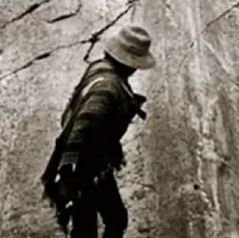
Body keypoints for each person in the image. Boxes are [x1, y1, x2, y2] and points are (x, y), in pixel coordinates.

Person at [41, 25, 156, 238]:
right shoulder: (107, 88)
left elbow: (72, 114)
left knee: (94, 223)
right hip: (85, 169)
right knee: (108, 221)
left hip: (89, 165)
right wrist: (71, 172)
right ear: (130, 64)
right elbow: (85, 124)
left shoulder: (98, 68)